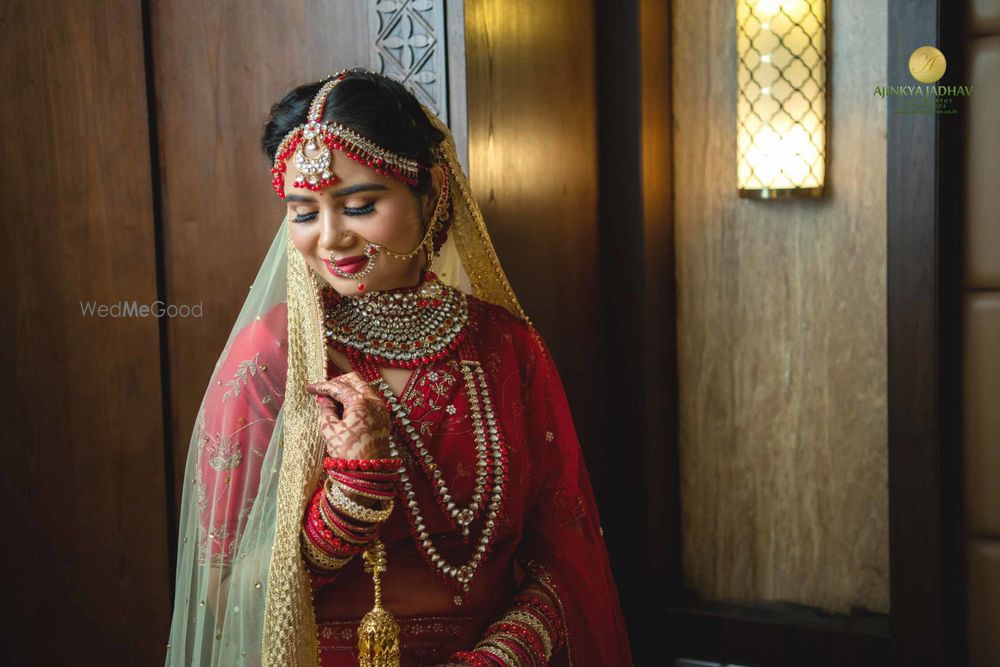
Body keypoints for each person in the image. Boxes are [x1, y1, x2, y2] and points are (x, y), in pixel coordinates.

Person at [165, 68, 633, 667]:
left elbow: (565, 557)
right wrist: (351, 500)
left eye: (359, 205)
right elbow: (226, 599)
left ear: (431, 191)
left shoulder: (504, 346)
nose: (330, 238)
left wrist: (499, 656)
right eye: (303, 213)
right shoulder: (274, 356)